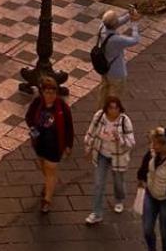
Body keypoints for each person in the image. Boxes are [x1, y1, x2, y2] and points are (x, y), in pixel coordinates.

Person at [24, 77, 74, 214]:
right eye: (47, 92)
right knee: (43, 166)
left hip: (55, 145)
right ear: (42, 93)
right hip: (40, 143)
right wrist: (33, 128)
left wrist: (69, 145)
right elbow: (28, 117)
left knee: (51, 169)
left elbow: (69, 126)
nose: (50, 96)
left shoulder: (62, 107)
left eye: (53, 92)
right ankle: (48, 183)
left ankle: (47, 200)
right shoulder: (37, 103)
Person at [84, 96, 136, 221]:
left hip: (117, 156)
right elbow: (91, 132)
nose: (113, 111)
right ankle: (96, 213)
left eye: (116, 108)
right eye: (110, 108)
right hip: (101, 154)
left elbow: (131, 142)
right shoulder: (99, 116)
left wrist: (120, 139)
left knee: (118, 181)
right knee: (98, 184)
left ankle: (119, 199)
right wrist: (88, 147)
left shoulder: (124, 121)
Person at [92, 7, 140, 107]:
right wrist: (135, 24)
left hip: (105, 68)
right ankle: (110, 114)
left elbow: (116, 23)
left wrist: (128, 15)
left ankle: (100, 112)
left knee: (103, 92)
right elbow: (135, 40)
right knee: (114, 98)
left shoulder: (102, 28)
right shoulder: (116, 40)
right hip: (116, 72)